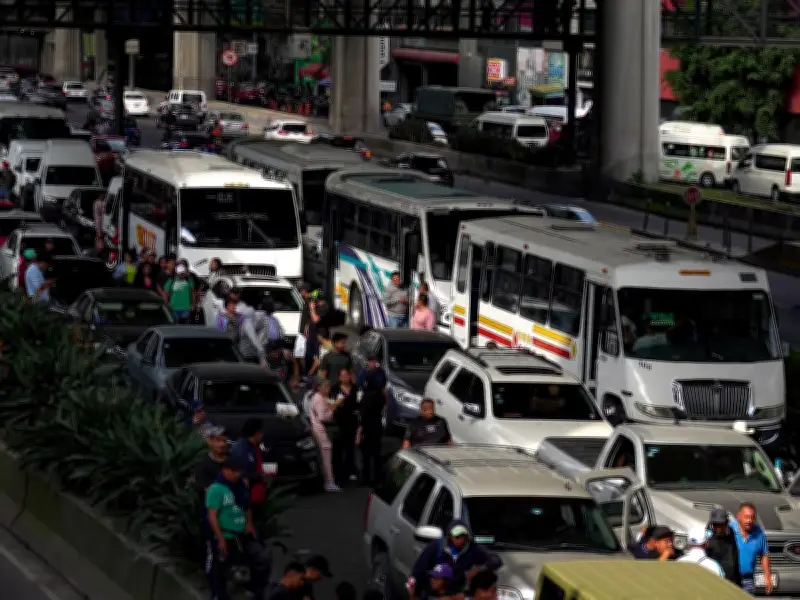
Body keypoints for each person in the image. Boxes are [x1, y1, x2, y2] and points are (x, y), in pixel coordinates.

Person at [204, 455, 270, 600]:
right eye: (234, 471)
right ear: (225, 470)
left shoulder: (241, 484)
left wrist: (249, 524)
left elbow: (247, 506)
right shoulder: (216, 489)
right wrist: (220, 538)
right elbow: (212, 515)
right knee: (219, 568)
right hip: (225, 536)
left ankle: (256, 591)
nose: (238, 474)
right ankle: (218, 595)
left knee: (262, 558)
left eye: (240, 471)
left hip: (242, 535)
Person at [410, 521, 502, 599]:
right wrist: (415, 591)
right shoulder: (436, 547)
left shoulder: (472, 548)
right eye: (457, 536)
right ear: (450, 535)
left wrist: (480, 570)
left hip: (455, 593)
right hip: (433, 593)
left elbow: (496, 560)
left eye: (463, 536)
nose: (460, 540)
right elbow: (419, 570)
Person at [230, 418, 269, 530]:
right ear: (257, 433)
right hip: (245, 498)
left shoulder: (252, 447)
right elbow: (241, 474)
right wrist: (260, 476)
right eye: (261, 432)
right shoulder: (241, 449)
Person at [356, 354, 388, 485]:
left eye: (374, 361)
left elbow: (381, 384)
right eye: (370, 361)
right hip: (369, 425)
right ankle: (367, 478)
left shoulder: (380, 374)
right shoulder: (364, 374)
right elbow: (359, 383)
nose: (372, 364)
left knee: (374, 453)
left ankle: (374, 478)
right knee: (368, 454)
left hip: (373, 425)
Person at [308, 376, 344, 492]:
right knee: (326, 457)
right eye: (326, 387)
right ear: (319, 387)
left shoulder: (317, 397)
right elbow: (323, 417)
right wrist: (334, 407)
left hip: (319, 429)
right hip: (321, 431)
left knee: (324, 457)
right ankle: (329, 481)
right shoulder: (318, 398)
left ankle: (327, 480)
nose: (328, 389)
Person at [731, 502, 773, 594]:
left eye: (752, 517)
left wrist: (768, 578)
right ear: (738, 516)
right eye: (746, 517)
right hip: (730, 580)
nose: (749, 520)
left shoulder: (758, 532)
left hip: (748, 581)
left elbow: (764, 554)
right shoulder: (729, 530)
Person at [331, 367, 360, 483]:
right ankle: (337, 474)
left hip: (352, 423)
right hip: (339, 423)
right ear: (339, 377)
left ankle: (350, 471)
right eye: (343, 376)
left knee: (350, 448)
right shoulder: (335, 389)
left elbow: (359, 404)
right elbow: (331, 406)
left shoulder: (356, 389)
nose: (345, 377)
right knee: (338, 449)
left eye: (347, 375)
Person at [705, 507, 742, 587]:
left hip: (733, 582)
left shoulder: (731, 534)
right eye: (715, 525)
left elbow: (735, 560)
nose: (718, 528)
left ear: (726, 523)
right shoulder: (708, 539)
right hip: (715, 582)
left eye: (721, 525)